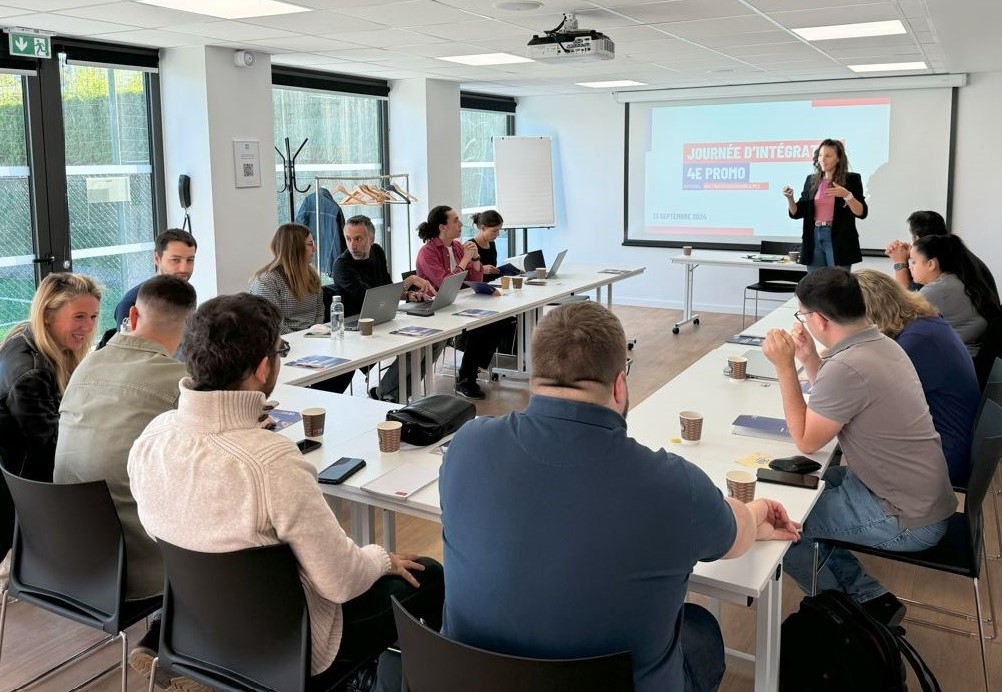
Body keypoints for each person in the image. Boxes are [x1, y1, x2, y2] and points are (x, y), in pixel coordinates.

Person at [440, 301, 802, 692]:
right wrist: (756, 511)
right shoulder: (676, 486)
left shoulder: (467, 446)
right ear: (619, 384)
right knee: (701, 630)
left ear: (534, 376)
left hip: (472, 678)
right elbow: (736, 536)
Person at [128, 293, 443, 692]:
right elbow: (341, 581)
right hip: (292, 646)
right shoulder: (270, 461)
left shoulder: (153, 436)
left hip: (199, 623)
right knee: (428, 576)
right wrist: (380, 558)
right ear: (263, 368)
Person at [762, 268, 956, 626]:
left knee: (785, 527)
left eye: (802, 314)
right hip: (917, 497)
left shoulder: (849, 365)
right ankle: (867, 596)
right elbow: (842, 399)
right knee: (818, 483)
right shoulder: (881, 344)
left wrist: (786, 367)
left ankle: (848, 619)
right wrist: (808, 360)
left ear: (818, 319)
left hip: (905, 516)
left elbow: (806, 440)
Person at [54, 276, 195, 600]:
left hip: (65, 556)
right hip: (137, 569)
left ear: (131, 317)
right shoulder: (179, 382)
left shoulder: (87, 364)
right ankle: (174, 635)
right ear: (190, 328)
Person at [856, 269, 979, 486]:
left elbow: (866, 405)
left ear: (869, 310)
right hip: (948, 443)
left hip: (941, 459)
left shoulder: (915, 343)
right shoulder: (921, 324)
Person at [0, 273, 102, 482]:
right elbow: (55, 448)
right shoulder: (31, 375)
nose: (89, 327)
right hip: (37, 490)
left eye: (93, 316)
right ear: (47, 314)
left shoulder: (25, 335)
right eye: (79, 316)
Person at [332, 215, 436, 401]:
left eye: (358, 239)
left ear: (371, 239)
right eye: (348, 239)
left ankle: (389, 395)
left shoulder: (377, 252)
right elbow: (372, 296)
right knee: (416, 347)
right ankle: (388, 394)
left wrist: (409, 295)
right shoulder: (341, 265)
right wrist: (409, 281)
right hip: (357, 330)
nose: (352, 245)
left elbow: (386, 288)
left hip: (383, 318)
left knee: (433, 340)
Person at [415, 205, 511, 400]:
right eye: (456, 220)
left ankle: (470, 369)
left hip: (460, 302)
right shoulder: (427, 252)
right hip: (438, 307)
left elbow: (474, 278)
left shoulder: (458, 247)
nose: (460, 224)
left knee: (500, 318)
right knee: (482, 325)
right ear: (443, 227)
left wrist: (475, 258)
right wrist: (465, 260)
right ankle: (466, 378)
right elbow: (445, 285)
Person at [907, 233, 1001, 354]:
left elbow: (897, 317)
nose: (910, 267)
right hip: (972, 359)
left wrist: (899, 264)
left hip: (957, 359)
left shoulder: (936, 290)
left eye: (914, 262)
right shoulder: (960, 279)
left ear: (931, 264)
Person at [782, 139, 868, 270]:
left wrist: (847, 195)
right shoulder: (811, 180)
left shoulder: (852, 179)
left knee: (837, 284)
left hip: (838, 239)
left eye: (828, 156)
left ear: (838, 159)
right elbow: (797, 213)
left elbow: (861, 212)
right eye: (821, 155)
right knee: (815, 285)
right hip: (813, 238)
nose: (822, 159)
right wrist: (790, 198)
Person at [884, 210, 998, 297]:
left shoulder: (939, 265)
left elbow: (905, 303)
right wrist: (914, 256)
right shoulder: (960, 255)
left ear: (918, 239)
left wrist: (900, 263)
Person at [250, 223, 325, 334]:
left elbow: (319, 312)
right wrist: (300, 339)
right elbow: (272, 323)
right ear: (295, 249)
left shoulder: (312, 276)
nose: (315, 248)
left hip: (312, 338)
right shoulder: (266, 281)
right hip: (284, 343)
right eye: (310, 244)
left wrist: (314, 334)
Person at [113, 229, 197, 326]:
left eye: (190, 260)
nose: (184, 269)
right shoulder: (132, 301)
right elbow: (126, 341)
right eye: (175, 260)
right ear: (157, 259)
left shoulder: (187, 295)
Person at [470, 209, 503, 282]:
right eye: (494, 231)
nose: (498, 234)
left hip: (493, 286)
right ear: (483, 228)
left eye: (499, 230)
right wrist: (482, 269)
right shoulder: (470, 246)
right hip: (477, 289)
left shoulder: (492, 243)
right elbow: (465, 274)